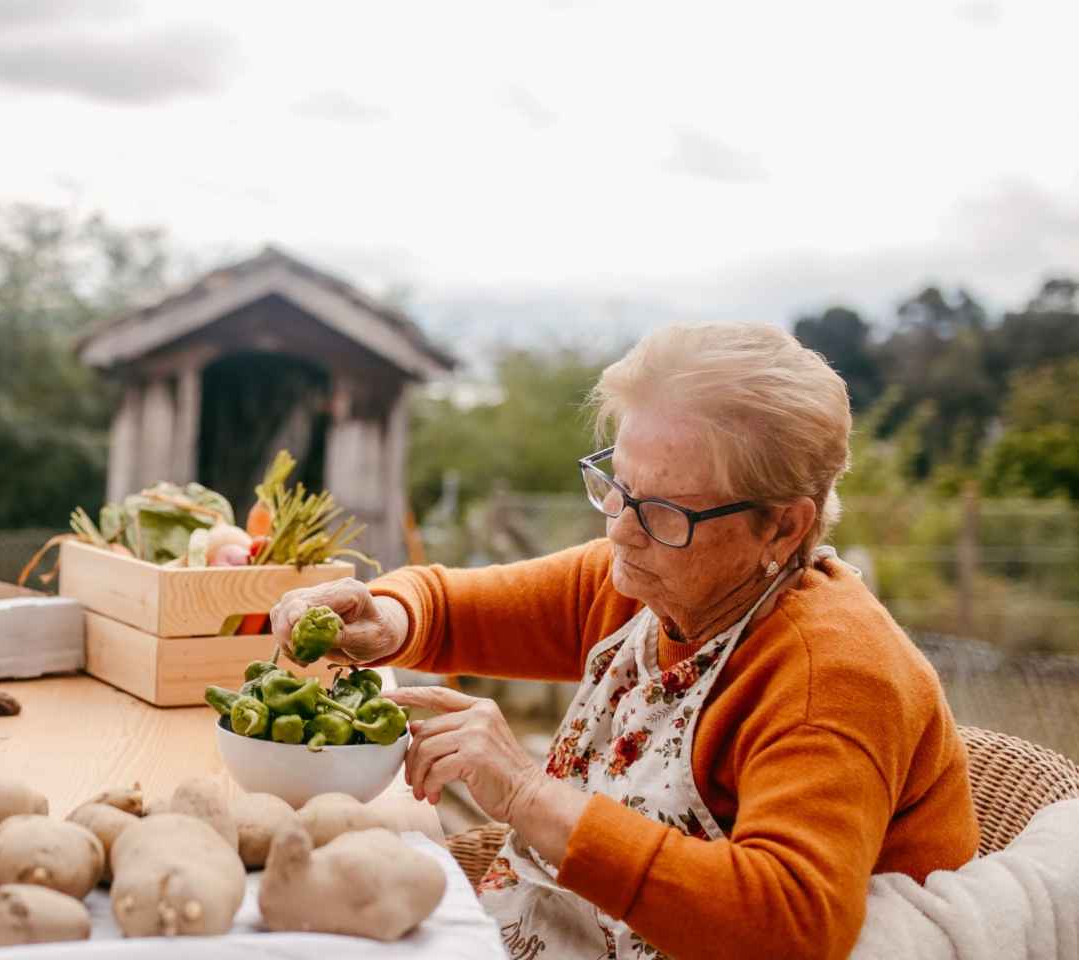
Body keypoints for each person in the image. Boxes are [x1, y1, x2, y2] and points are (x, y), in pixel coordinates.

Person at [271, 323, 978, 960]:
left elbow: (785, 924)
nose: (620, 527)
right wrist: (385, 620)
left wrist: (524, 793)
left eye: (665, 510)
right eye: (618, 484)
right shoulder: (655, 576)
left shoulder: (832, 675)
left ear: (784, 528)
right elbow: (452, 607)